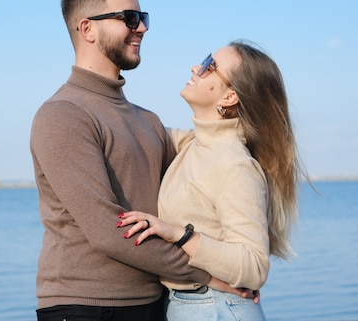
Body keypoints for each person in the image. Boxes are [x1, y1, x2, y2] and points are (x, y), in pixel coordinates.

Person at [29, 0, 239, 321]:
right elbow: (109, 232)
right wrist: (208, 277)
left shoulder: (148, 120)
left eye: (142, 18)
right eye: (129, 18)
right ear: (87, 29)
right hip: (85, 306)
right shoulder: (63, 115)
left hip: (155, 301)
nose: (141, 27)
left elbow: (210, 163)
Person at [119, 41, 306, 320]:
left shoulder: (235, 165)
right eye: (204, 60)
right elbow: (134, 127)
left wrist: (178, 234)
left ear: (230, 97)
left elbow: (254, 267)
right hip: (192, 306)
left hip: (218, 309)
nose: (196, 68)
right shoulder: (193, 145)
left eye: (210, 66)